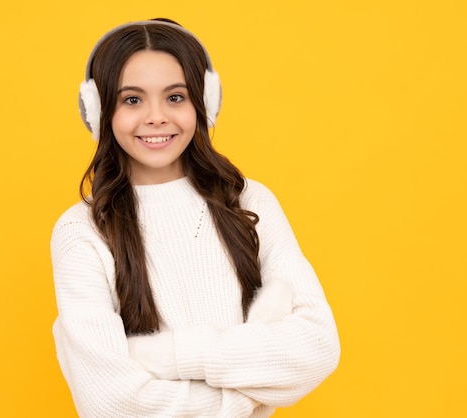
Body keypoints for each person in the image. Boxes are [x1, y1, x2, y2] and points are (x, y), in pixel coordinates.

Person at [51, 18, 340, 418]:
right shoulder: (80, 230)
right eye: (132, 100)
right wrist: (250, 396)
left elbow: (317, 347)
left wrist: (169, 357)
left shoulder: (250, 202)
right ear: (99, 111)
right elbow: (110, 403)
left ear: (205, 103)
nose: (156, 117)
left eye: (175, 97)